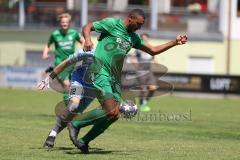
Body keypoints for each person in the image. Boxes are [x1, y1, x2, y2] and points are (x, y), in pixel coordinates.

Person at [65, 9, 187, 154]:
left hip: (114, 78)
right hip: (99, 71)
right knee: (110, 110)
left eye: (142, 25)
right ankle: (75, 124)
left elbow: (153, 50)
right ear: (130, 18)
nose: (139, 28)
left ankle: (84, 141)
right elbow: (88, 26)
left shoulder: (133, 37)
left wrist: (174, 42)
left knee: (115, 114)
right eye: (138, 24)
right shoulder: (112, 24)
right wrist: (87, 38)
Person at [39, 48, 96, 148]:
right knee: (73, 105)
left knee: (74, 113)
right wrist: (49, 78)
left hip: (94, 87)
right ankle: (52, 134)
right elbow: (65, 64)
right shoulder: (85, 52)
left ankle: (75, 131)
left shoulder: (111, 55)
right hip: (79, 81)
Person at [42, 13, 84, 101]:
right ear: (60, 23)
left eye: (66, 22)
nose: (64, 24)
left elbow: (83, 41)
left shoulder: (74, 33)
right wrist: (45, 53)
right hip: (60, 64)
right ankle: (73, 104)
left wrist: (84, 50)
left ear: (69, 23)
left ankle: (71, 102)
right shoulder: (55, 34)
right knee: (67, 84)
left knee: (74, 85)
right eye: (62, 22)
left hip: (72, 63)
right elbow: (48, 44)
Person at [133, 33, 158, 112]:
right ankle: (143, 105)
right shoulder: (138, 48)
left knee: (153, 88)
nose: (144, 40)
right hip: (141, 71)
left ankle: (145, 102)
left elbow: (154, 55)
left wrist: (155, 59)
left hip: (149, 71)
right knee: (143, 89)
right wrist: (135, 63)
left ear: (148, 39)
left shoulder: (151, 48)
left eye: (145, 38)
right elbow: (133, 57)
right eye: (142, 38)